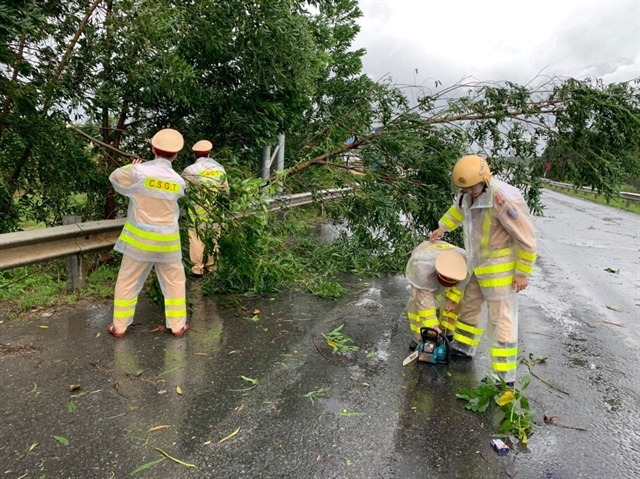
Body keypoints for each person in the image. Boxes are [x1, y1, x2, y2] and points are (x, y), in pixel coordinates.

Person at [429, 155, 537, 385]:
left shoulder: (502, 199)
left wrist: (522, 273)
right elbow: (458, 211)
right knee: (470, 306)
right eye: (464, 189)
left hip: (499, 270)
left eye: (471, 188)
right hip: (477, 264)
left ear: (485, 181)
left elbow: (526, 238)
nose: (468, 192)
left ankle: (503, 375)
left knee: (500, 320)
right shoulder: (467, 195)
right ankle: (464, 347)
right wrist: (442, 228)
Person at [107, 128, 189, 338]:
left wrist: (133, 167)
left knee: (127, 281)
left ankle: (119, 327)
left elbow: (115, 178)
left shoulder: (138, 173)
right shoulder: (178, 181)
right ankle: (178, 326)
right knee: (175, 282)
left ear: (153, 149)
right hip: (168, 242)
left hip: (140, 240)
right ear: (175, 155)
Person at [405, 240, 469, 344]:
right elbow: (424, 302)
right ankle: (420, 337)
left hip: (446, 257)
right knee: (418, 305)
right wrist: (432, 326)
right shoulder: (423, 269)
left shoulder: (464, 262)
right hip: (424, 255)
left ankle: (447, 332)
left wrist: (452, 299)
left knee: (457, 302)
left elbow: (462, 284)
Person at [181, 140, 228, 278]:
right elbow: (225, 190)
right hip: (216, 210)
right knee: (214, 237)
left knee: (196, 238)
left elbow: (184, 190)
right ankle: (212, 266)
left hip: (197, 210)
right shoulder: (220, 169)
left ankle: (198, 269)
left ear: (194, 155)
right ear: (209, 153)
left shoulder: (190, 170)